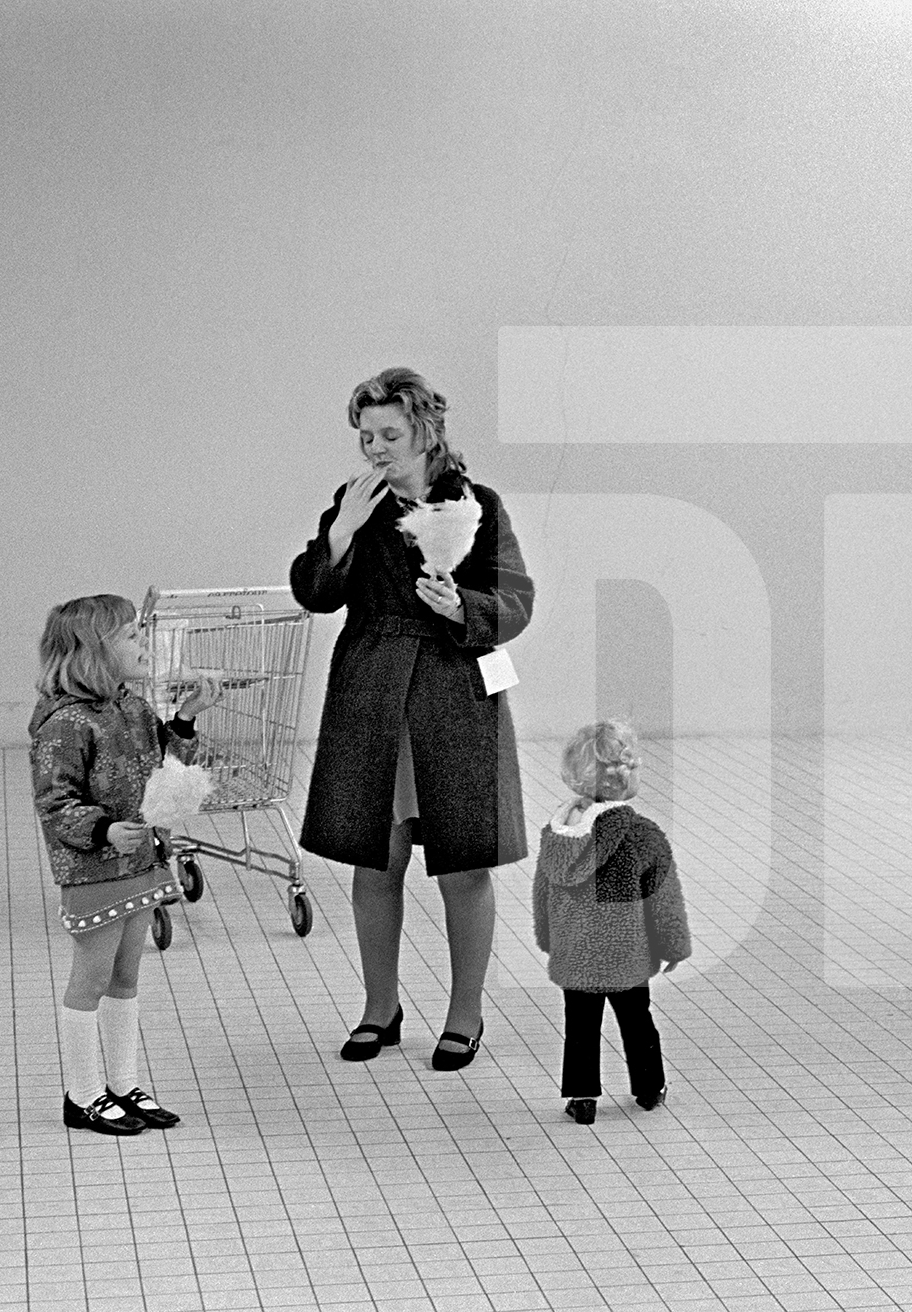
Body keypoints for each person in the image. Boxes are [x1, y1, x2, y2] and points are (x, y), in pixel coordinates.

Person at [290, 367, 535, 1070]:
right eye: (366, 435)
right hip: (371, 694)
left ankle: (465, 1015)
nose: (375, 448)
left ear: (426, 430)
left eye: (389, 434)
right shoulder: (355, 502)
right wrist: (339, 534)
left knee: (463, 864)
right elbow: (316, 594)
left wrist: (465, 610)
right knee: (378, 858)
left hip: (454, 695)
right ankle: (380, 1009)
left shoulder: (477, 504)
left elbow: (516, 599)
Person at [30, 594, 223, 1135]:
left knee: (126, 976)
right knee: (91, 978)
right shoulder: (65, 724)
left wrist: (184, 719)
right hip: (95, 871)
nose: (145, 645)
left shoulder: (132, 708)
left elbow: (169, 768)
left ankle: (122, 1084)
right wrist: (104, 829)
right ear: (96, 651)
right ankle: (83, 1094)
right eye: (133, 637)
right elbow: (54, 801)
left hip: (140, 863)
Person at [532, 722, 692, 1126]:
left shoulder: (558, 836)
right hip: (627, 954)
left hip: (577, 953)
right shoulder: (642, 836)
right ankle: (649, 1088)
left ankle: (582, 1096)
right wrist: (674, 946)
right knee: (638, 1022)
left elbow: (542, 894)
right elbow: (663, 898)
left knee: (581, 1028)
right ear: (626, 776)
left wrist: (551, 939)